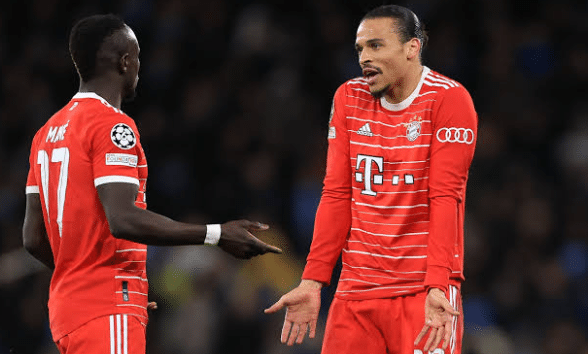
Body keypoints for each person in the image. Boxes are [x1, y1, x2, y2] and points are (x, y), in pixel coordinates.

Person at [22, 14, 281, 354]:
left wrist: (88, 281)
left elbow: (33, 237)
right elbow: (123, 219)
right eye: (138, 56)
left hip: (69, 313)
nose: (140, 67)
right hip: (104, 308)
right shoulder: (113, 127)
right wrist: (217, 235)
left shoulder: (46, 134)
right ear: (125, 61)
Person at [265, 5, 477, 354]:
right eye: (360, 48)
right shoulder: (348, 97)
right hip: (355, 293)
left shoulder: (449, 100)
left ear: (412, 48)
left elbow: (445, 198)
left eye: (376, 46)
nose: (364, 57)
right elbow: (336, 194)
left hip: (421, 293)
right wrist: (313, 280)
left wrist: (438, 284)